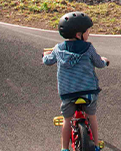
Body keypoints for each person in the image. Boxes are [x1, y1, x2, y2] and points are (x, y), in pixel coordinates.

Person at [43, 12, 110, 151]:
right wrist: (105, 61)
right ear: (78, 34)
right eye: (87, 31)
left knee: (67, 120)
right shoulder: (88, 48)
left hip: (68, 93)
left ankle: (64, 148)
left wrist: (45, 56)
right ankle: (96, 145)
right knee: (92, 117)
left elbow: (48, 61)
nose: (89, 34)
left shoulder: (58, 49)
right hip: (89, 92)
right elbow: (99, 63)